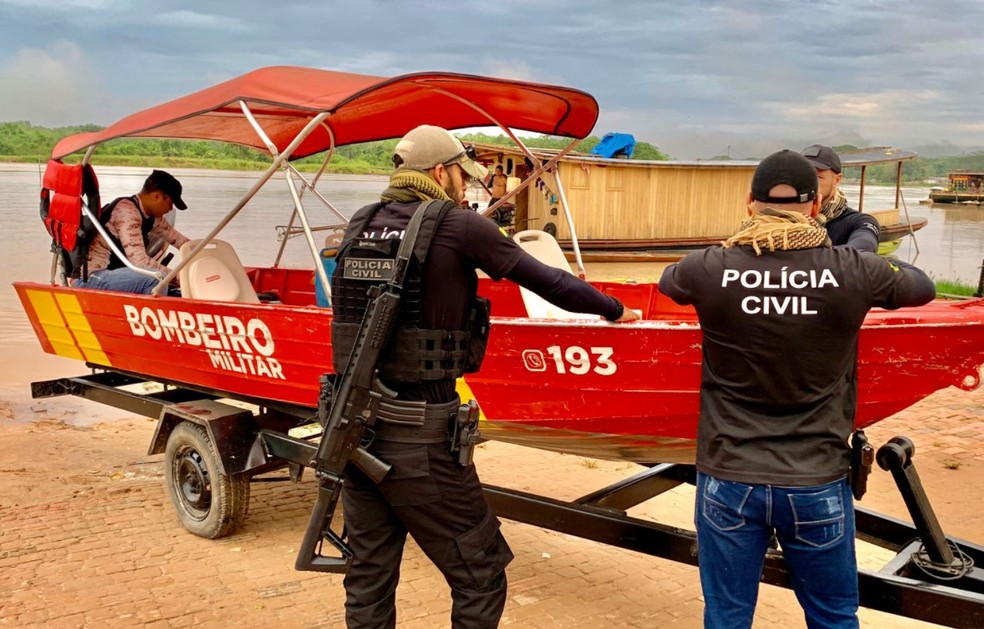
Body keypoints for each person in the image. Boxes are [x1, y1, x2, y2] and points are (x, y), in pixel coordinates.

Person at [331, 124, 638, 628]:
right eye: (459, 174)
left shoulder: (361, 223)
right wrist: (613, 309)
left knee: (368, 574)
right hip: (420, 439)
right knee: (481, 572)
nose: (463, 185)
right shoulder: (456, 224)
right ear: (439, 172)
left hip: (353, 428)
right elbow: (546, 279)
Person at [659, 150, 935, 629]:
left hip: (729, 477)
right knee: (832, 617)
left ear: (750, 204)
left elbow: (670, 282)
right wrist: (862, 246)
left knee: (726, 617)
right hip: (817, 481)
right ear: (814, 207)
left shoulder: (708, 267)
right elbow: (922, 286)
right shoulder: (851, 268)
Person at [74, 170, 190, 294]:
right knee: (157, 280)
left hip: (115, 274)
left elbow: (183, 243)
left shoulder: (151, 216)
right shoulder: (127, 212)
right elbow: (140, 262)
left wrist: (207, 258)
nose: (171, 209)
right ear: (157, 196)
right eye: (170, 203)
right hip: (92, 277)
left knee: (175, 291)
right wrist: (183, 279)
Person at [800, 144, 880, 253]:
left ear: (837, 180)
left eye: (818, 177)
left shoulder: (858, 222)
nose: (808, 182)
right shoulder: (779, 218)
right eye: (802, 175)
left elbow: (862, 249)